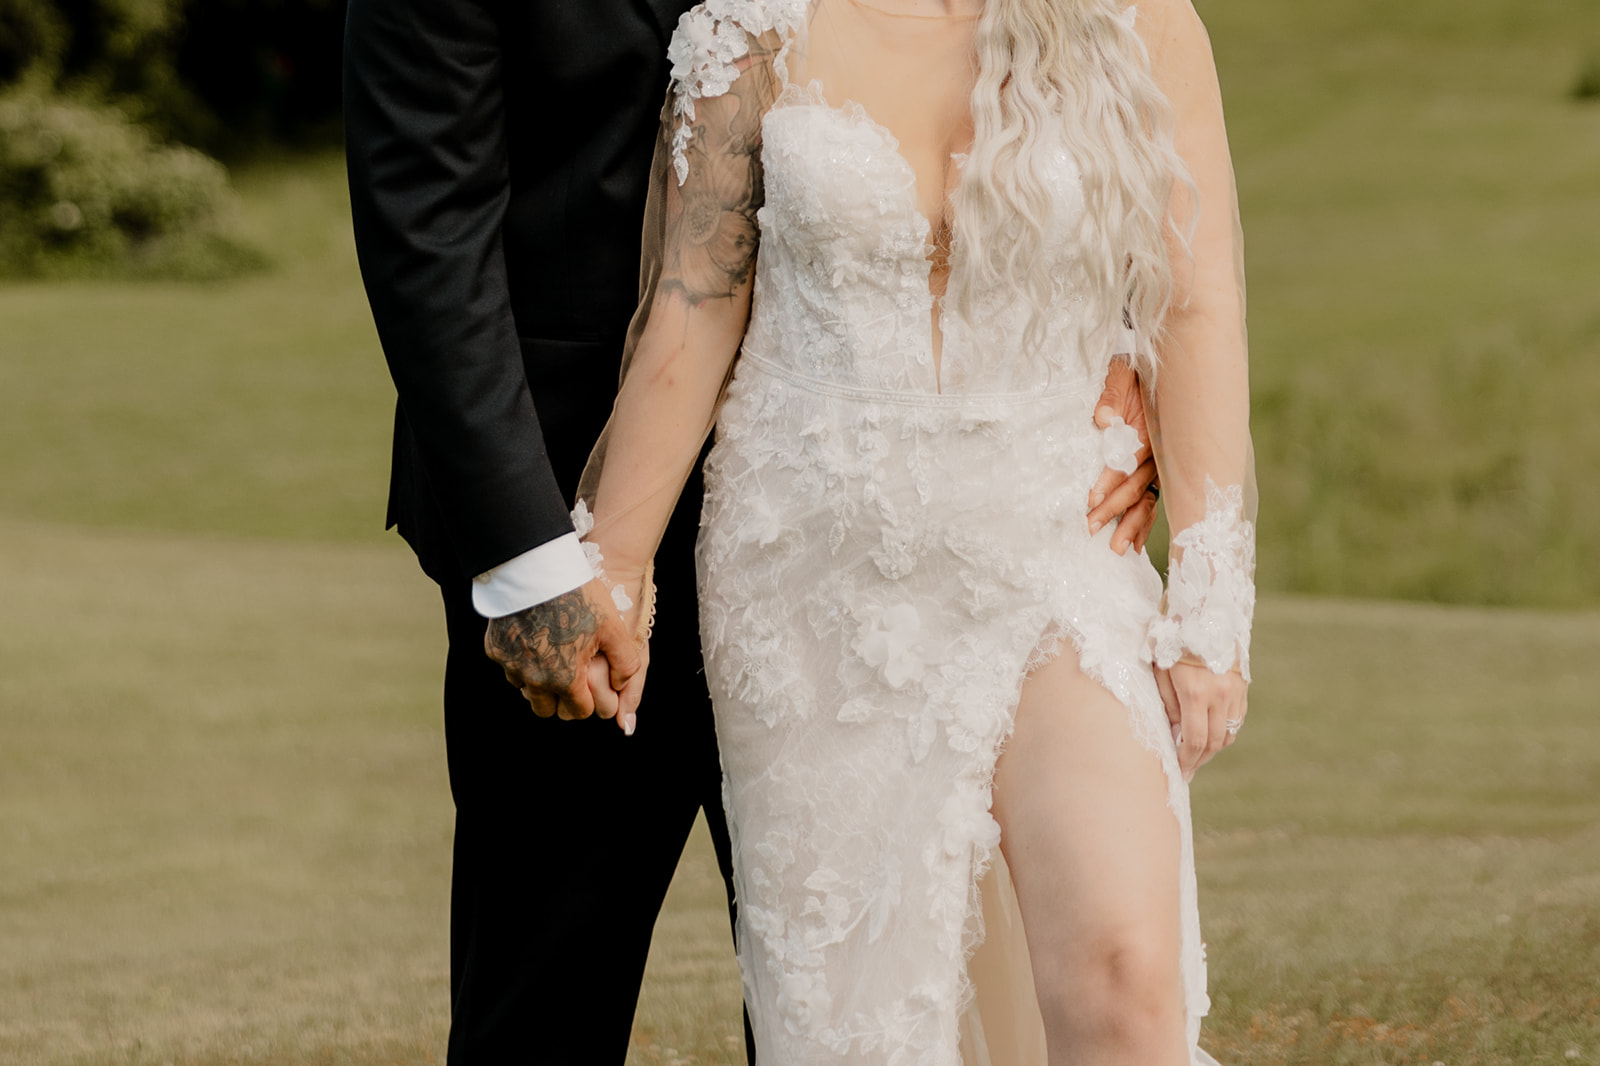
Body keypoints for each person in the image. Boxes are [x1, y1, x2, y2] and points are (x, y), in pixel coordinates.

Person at [341, 0, 1163, 1061]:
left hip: (859, 550)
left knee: (862, 994)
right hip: (576, 534)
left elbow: (1034, 91)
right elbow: (427, 231)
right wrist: (531, 557)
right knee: (543, 994)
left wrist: (1103, 367)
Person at [568, 0, 1255, 1062]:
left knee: (1125, 974)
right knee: (869, 1031)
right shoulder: (750, 27)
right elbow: (695, 297)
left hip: (1054, 537)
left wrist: (1209, 600)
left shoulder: (1135, 16)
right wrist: (610, 563)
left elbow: (1194, 297)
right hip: (811, 583)